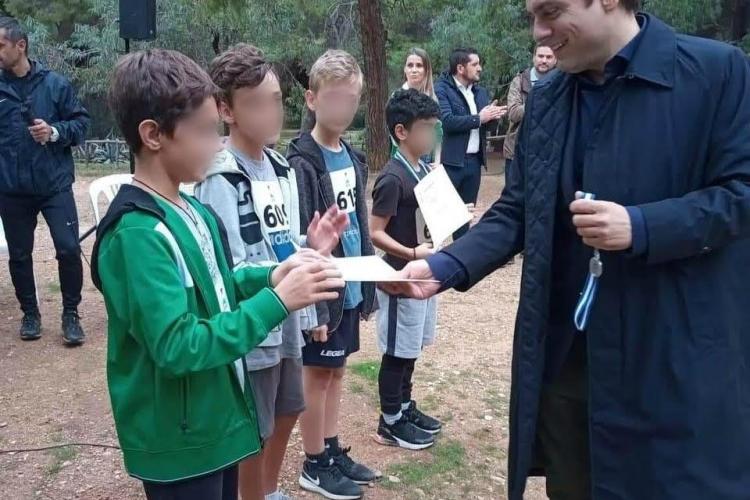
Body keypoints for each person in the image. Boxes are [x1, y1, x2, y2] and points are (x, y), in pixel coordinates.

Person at [387, 1, 750, 499]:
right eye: (533, 16)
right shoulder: (549, 97)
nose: (539, 31)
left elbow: (740, 193)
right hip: (571, 370)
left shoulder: (716, 72)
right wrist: (447, 264)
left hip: (672, 364)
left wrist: (643, 226)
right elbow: (518, 208)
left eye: (552, 12)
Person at [92, 48, 344, 500]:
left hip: (218, 423)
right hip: (180, 443)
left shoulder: (192, 210)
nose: (217, 144)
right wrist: (277, 302)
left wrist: (272, 275)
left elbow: (219, 284)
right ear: (152, 134)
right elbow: (177, 345)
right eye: (206, 131)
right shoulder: (138, 235)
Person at [195, 43, 349, 500]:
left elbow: (282, 244)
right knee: (254, 424)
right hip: (253, 322)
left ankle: (267, 490)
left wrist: (311, 246)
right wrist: (285, 273)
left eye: (276, 100)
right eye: (256, 103)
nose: (271, 112)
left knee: (287, 410)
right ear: (226, 110)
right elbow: (227, 265)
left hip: (287, 319)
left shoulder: (281, 168)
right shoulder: (220, 176)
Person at [287, 49, 379, 500]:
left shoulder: (353, 158)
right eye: (334, 98)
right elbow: (305, 240)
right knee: (317, 373)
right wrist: (317, 309)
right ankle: (314, 462)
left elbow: (360, 224)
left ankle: (331, 447)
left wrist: (368, 288)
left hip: (352, 285)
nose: (343, 108)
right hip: (324, 291)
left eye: (351, 99)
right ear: (312, 99)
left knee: (337, 370)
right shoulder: (301, 162)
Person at [0, 16, 89, 345]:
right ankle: (30, 314)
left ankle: (71, 314)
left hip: (54, 184)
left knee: (68, 248)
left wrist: (54, 132)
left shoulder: (55, 85)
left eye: (1, 45)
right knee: (19, 255)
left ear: (20, 45)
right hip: (11, 188)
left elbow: (81, 124)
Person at [370, 89, 442, 451]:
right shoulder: (392, 178)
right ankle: (390, 421)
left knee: (411, 348)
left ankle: (404, 406)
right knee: (397, 352)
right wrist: (411, 253)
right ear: (401, 131)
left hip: (423, 276)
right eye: (426, 127)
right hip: (399, 280)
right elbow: (375, 232)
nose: (432, 135)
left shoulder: (424, 168)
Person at [435, 48, 506, 239]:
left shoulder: (480, 92)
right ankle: (431, 255)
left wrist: (493, 116)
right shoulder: (442, 89)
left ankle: (459, 254)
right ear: (460, 68)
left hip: (474, 163)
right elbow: (447, 121)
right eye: (474, 64)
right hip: (450, 163)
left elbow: (485, 126)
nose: (479, 68)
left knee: (465, 217)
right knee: (440, 218)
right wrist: (479, 118)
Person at [503, 45, 557, 171]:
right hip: (518, 152)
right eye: (540, 56)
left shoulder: (560, 83)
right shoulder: (519, 81)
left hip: (549, 154)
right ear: (534, 58)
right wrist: (539, 101)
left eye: (549, 57)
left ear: (555, 60)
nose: (544, 60)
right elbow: (513, 114)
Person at [397, 48, 441, 164]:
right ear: (405, 69)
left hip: (428, 160)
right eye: (410, 65)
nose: (414, 70)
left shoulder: (432, 98)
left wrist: (437, 161)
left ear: (426, 70)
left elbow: (438, 133)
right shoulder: (397, 98)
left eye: (419, 65)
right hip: (404, 160)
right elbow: (394, 138)